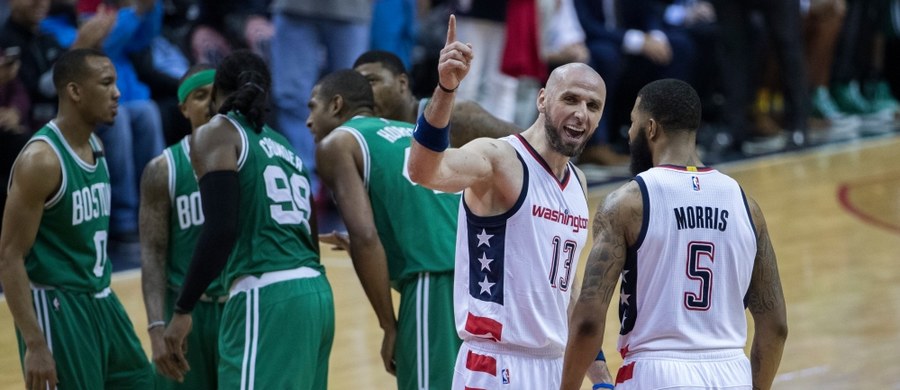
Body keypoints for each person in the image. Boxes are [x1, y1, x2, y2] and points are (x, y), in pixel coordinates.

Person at [407, 16, 612, 389]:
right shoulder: (500, 158)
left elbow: (565, 289)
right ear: (542, 98)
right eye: (570, 99)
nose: (581, 113)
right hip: (495, 365)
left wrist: (600, 377)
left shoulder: (578, 183)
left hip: (555, 367)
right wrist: (446, 89)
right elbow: (423, 171)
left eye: (593, 105)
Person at [560, 79, 788, 389]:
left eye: (632, 123)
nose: (628, 134)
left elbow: (587, 322)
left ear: (651, 128)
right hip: (732, 373)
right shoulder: (747, 206)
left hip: (656, 373)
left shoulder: (627, 203)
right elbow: (775, 327)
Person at [161, 50, 334, 389]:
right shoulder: (283, 145)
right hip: (316, 292)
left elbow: (221, 229)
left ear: (215, 94)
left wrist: (183, 309)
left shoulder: (217, 132)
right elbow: (309, 236)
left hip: (266, 294)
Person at [0, 48, 153, 390]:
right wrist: (36, 344)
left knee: (144, 381)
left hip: (101, 297)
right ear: (74, 91)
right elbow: (9, 255)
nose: (117, 92)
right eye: (106, 83)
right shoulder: (41, 161)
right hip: (58, 307)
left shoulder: (96, 144)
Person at [308, 69, 461, 389]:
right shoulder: (408, 131)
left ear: (336, 105)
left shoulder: (338, 143)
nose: (308, 121)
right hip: (480, 275)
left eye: (313, 107)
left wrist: (389, 326)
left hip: (435, 279)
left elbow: (365, 236)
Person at [140, 64, 223, 388]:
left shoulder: (250, 160)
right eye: (201, 96)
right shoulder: (163, 170)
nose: (211, 103)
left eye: (218, 94)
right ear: (184, 108)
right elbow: (152, 252)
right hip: (186, 315)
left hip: (239, 307)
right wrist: (156, 326)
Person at [353, 49, 521, 147]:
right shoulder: (367, 136)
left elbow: (528, 143)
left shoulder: (456, 116)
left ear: (402, 83)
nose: (364, 91)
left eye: (372, 81)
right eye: (359, 84)